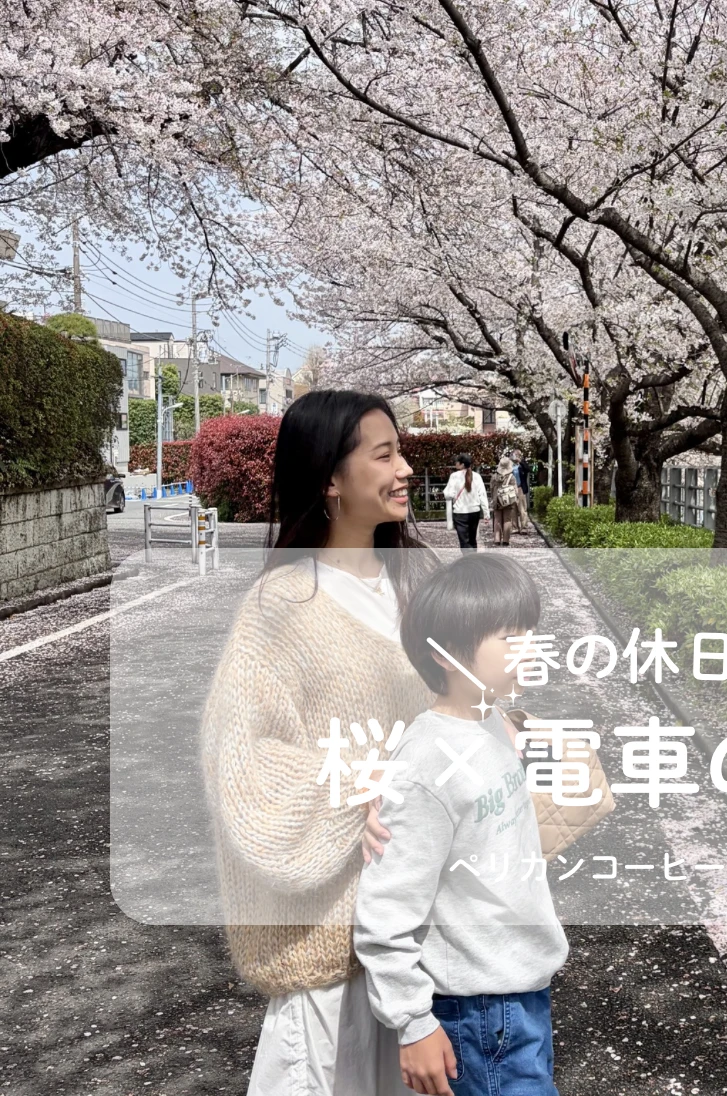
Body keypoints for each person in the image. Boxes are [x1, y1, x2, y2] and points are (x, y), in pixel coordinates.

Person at [199, 389, 438, 1096]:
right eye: (384, 453)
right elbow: (242, 764)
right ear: (330, 478)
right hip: (330, 947)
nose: (404, 470)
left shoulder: (416, 584)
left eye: (403, 451)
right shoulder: (281, 607)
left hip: (416, 939)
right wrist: (369, 782)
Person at [356, 553, 569, 1096]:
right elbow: (384, 914)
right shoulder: (427, 765)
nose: (529, 649)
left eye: (530, 633)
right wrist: (413, 1023)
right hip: (478, 1012)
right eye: (509, 637)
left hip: (520, 989)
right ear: (448, 657)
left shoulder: (491, 719)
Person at [442, 453, 489, 551]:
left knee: (464, 541)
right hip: (474, 511)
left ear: (462, 464)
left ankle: (467, 561)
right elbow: (483, 495)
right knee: (472, 539)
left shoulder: (454, 476)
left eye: (457, 462)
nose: (455, 463)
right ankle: (473, 560)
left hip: (460, 512)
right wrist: (486, 513)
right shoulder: (477, 476)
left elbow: (448, 494)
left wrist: (448, 493)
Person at [489, 456, 521, 547]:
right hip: (508, 501)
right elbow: (515, 490)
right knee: (507, 520)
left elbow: (491, 488)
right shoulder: (511, 477)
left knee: (497, 520)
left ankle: (497, 539)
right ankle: (506, 540)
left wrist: (493, 497)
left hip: (497, 500)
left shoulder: (494, 477)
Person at [511, 448, 532, 534]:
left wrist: (521, 461)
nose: (515, 456)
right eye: (514, 454)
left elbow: (528, 469)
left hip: (520, 488)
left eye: (517, 455)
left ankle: (524, 527)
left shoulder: (522, 465)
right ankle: (515, 527)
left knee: (522, 508)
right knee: (513, 508)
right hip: (511, 488)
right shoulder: (510, 465)